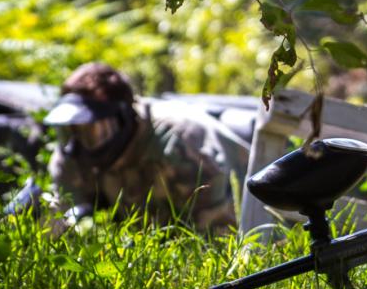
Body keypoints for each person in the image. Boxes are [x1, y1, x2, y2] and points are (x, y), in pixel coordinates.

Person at [43, 63, 249, 234]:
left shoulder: (179, 143)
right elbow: (59, 224)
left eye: (93, 131)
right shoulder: (74, 152)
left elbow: (221, 237)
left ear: (123, 118)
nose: (82, 142)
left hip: (262, 224)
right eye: (72, 130)